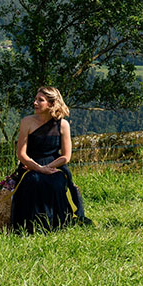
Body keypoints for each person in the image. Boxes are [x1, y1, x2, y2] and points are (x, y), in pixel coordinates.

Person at [9, 86, 88, 233]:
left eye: (41, 100)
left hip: (55, 165)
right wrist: (39, 168)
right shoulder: (26, 122)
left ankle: (56, 225)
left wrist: (48, 167)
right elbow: (21, 154)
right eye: (35, 99)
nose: (35, 103)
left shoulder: (63, 125)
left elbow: (66, 156)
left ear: (51, 104)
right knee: (33, 181)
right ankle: (29, 226)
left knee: (56, 183)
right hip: (29, 165)